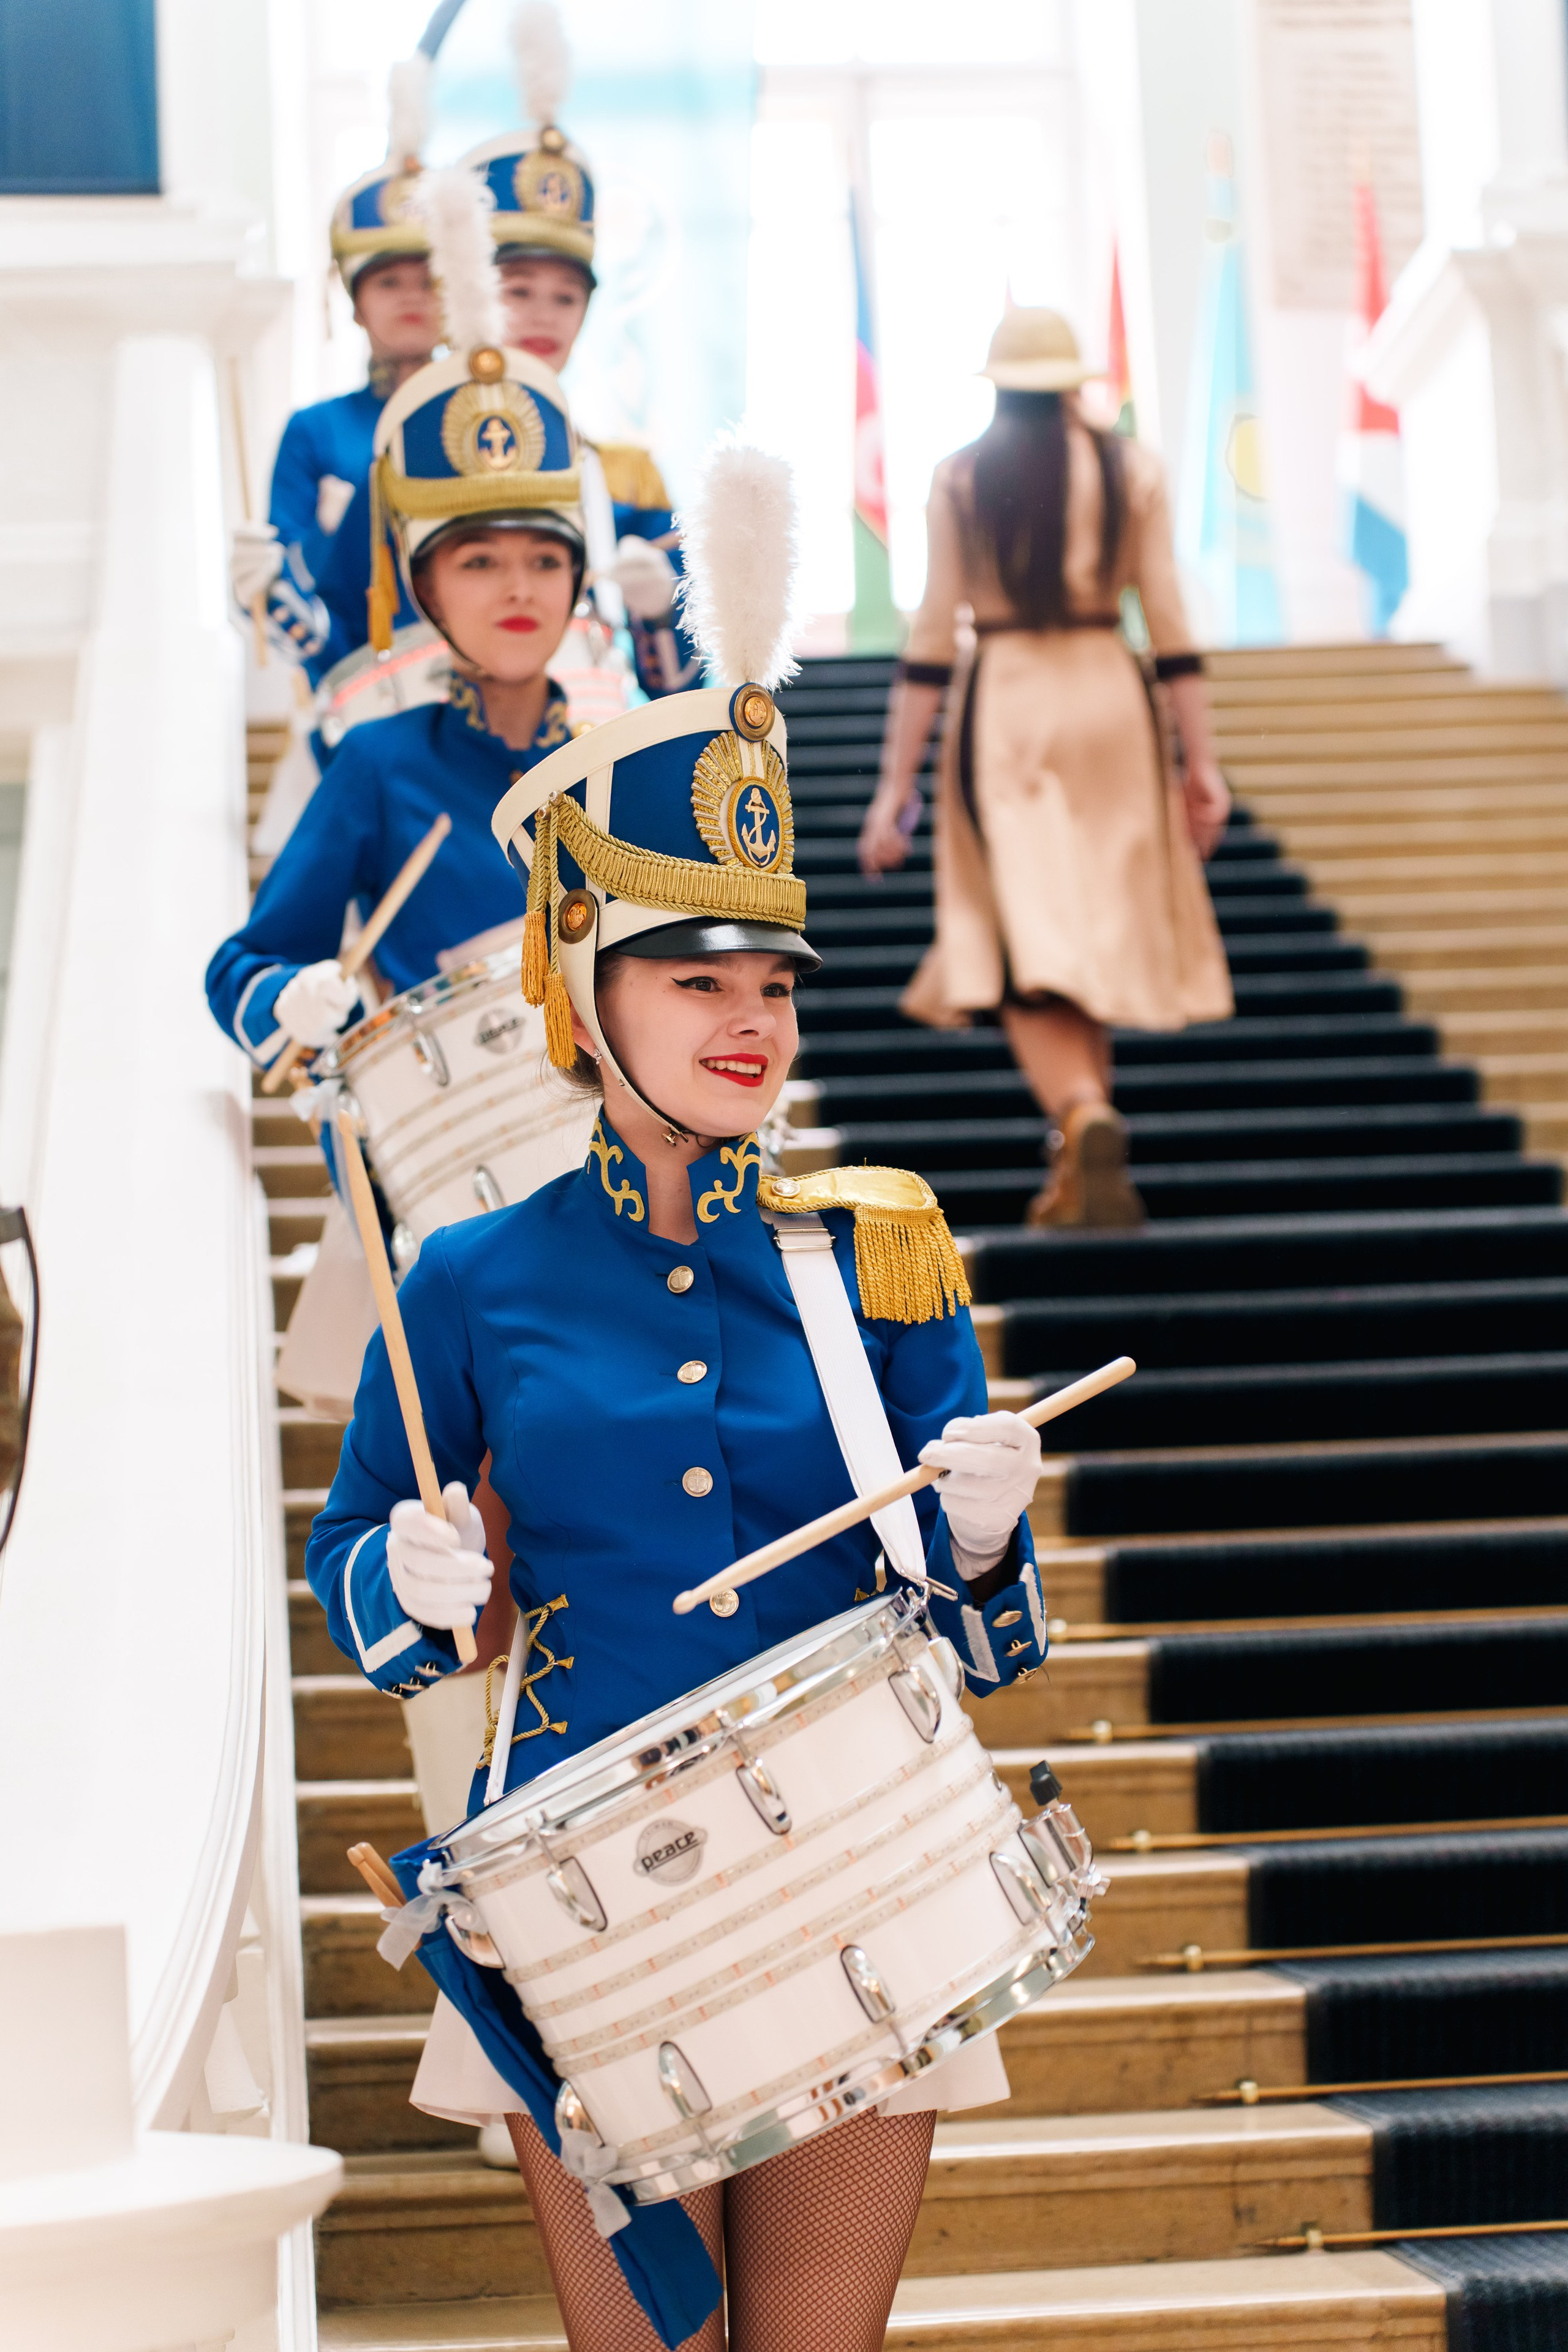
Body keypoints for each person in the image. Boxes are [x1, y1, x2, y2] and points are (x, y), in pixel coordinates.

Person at [304, 446, 1051, 2352]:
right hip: (592, 1903)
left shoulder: (875, 1241)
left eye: (775, 984)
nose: (748, 1019)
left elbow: (976, 1644)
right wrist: (413, 1577)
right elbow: (365, 1600)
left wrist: (981, 1531)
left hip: (848, 1869)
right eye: (694, 974)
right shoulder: (466, 1273)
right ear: (587, 998)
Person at [205, 170, 586, 1084]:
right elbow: (247, 966)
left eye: (544, 560)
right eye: (479, 563)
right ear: (427, 587)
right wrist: (288, 1000)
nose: (517, 591)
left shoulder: (621, 750)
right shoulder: (380, 764)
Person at [858, 306, 1234, 1227]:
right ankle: (1079, 1165)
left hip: (1009, 704)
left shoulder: (961, 477)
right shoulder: (1130, 468)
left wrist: (893, 787)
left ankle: (1081, 1111)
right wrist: (1204, 763)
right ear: (1074, 382)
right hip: (1114, 693)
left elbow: (932, 634)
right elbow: (1172, 624)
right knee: (1086, 931)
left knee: (1025, 944)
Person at [231, 56, 442, 676]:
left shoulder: (490, 418)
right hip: (361, 686)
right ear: (354, 305)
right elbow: (294, 591)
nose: (411, 296)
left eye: (429, 281)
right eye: (389, 281)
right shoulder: (314, 432)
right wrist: (267, 588)